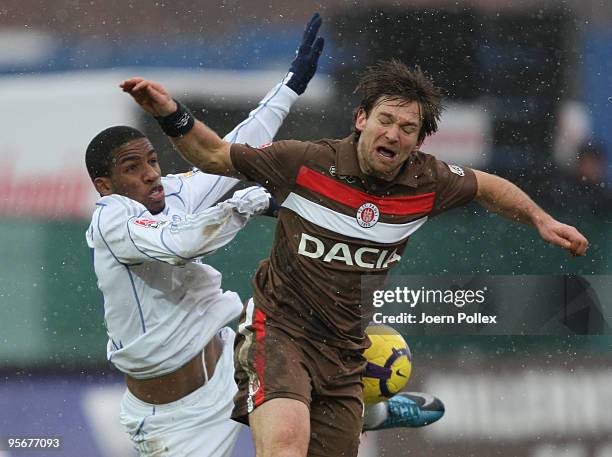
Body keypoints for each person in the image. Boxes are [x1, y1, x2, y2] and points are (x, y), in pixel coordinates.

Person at [121, 25, 589, 456]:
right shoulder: (306, 162)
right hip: (280, 331)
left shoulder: (429, 180)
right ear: (361, 118)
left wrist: (539, 220)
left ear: (419, 141)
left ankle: (376, 413)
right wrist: (170, 113)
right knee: (285, 446)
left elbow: (488, 185)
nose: (394, 134)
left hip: (347, 352)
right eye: (385, 119)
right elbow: (215, 155)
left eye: (408, 129)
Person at [85, 14, 324, 457]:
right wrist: (243, 204)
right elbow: (179, 244)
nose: (151, 175)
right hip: (174, 421)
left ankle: (367, 402)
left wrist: (289, 88)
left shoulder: (172, 192)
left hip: (229, 369)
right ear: (105, 186)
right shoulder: (111, 221)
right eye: (131, 168)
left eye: (152, 161)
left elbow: (237, 150)